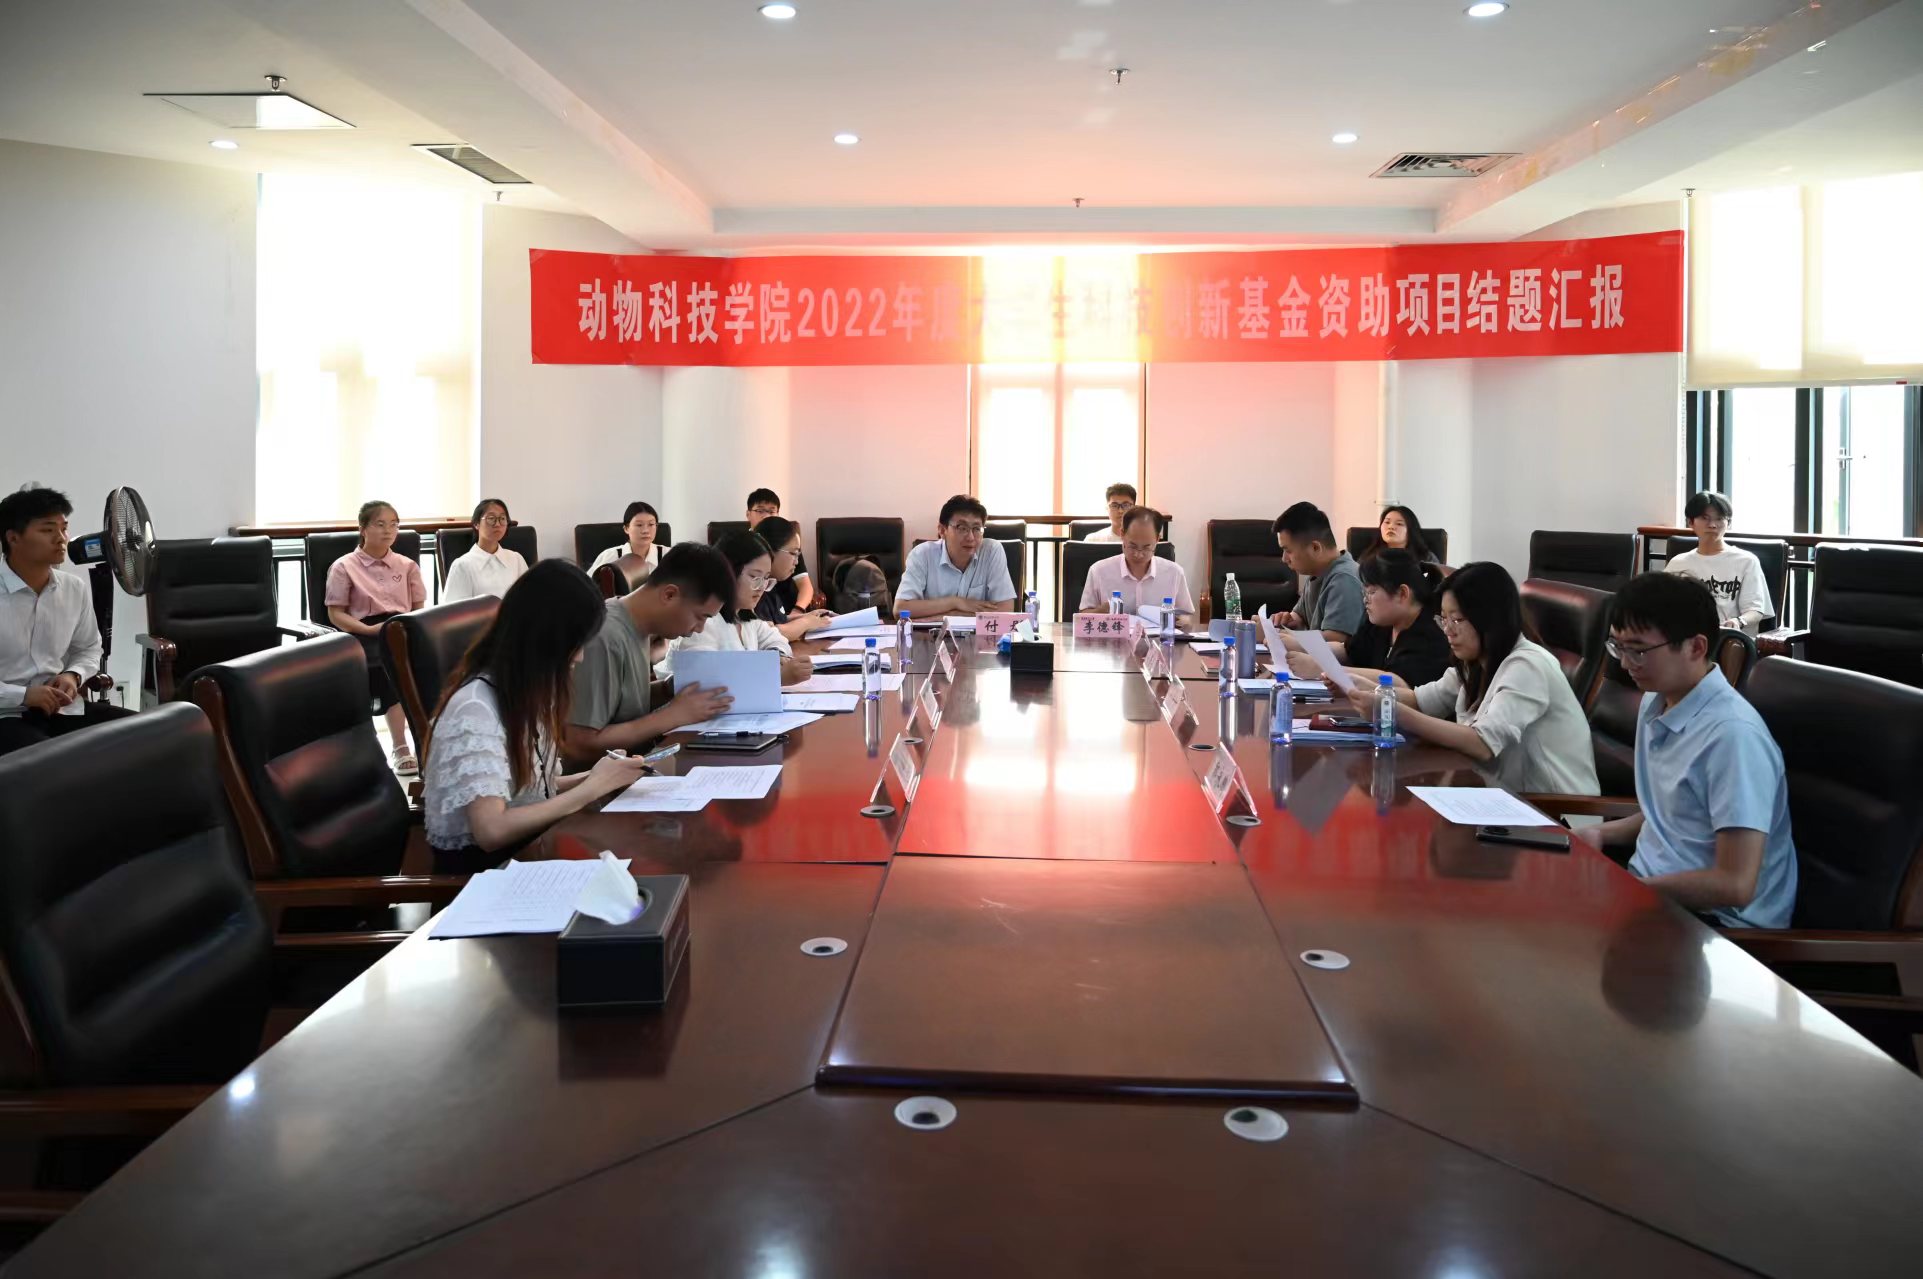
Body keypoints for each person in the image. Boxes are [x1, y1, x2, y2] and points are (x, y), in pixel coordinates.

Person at [1577, 573, 1797, 928]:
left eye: (1638, 650)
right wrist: (1601, 833)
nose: (1625, 663)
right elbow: (1672, 814)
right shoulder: (1656, 702)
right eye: (1618, 646)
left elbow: (1735, 884)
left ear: (1696, 647)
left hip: (1718, 926)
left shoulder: (1732, 737)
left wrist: (1627, 891)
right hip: (1653, 892)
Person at [422, 560, 653, 868]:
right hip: (485, 876)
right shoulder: (474, 709)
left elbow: (534, 788)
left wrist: (602, 776)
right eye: (575, 645)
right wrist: (592, 788)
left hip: (531, 853)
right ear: (544, 639)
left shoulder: (526, 690)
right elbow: (492, 830)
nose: (580, 657)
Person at [1352, 561, 1598, 795]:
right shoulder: (1477, 660)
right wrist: (1366, 689)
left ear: (1490, 619)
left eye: (1457, 620)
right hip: (1497, 793)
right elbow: (1422, 700)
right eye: (1443, 619)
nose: (1448, 631)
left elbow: (1483, 743)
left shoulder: (1528, 666)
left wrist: (1394, 712)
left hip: (1554, 810)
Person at [562, 542, 739, 763]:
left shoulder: (639, 625)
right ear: (669, 594)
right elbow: (578, 745)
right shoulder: (605, 637)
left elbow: (622, 703)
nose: (699, 629)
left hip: (635, 765)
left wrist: (668, 689)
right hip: (600, 779)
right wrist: (673, 715)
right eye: (700, 616)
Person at [0, 485, 137, 757]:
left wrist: (73, 675)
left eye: (64, 528)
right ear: (13, 538)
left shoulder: (73, 588)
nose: (61, 538)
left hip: (63, 708)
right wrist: (24, 695)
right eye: (48, 530)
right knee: (56, 762)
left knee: (149, 732)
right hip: (7, 714)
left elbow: (89, 648)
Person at [325, 500, 427, 775]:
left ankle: (430, 742)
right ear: (363, 528)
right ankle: (400, 746)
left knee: (432, 661)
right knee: (391, 664)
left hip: (402, 628)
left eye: (394, 525)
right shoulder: (344, 566)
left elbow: (418, 609)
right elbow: (336, 614)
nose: (388, 531)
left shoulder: (407, 565)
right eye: (380, 524)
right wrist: (369, 630)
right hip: (363, 632)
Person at [659, 530, 812, 685]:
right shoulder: (701, 623)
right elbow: (706, 684)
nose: (761, 587)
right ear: (729, 572)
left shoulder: (746, 616)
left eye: (766, 578)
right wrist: (776, 677)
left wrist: (776, 659)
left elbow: (777, 640)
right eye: (754, 577)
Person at [1287, 548, 1451, 689]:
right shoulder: (1383, 622)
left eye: (1371, 592)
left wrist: (1323, 668)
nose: (1365, 600)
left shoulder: (1431, 633)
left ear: (1402, 593)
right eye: (1364, 592)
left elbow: (1399, 683)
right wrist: (1298, 645)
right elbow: (1348, 651)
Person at [1664, 491, 1771, 635]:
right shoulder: (1678, 563)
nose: (1712, 525)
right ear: (1690, 522)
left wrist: (1738, 621)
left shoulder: (1746, 561)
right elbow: (1662, 605)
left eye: (1719, 519)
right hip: (1687, 635)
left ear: (1728, 523)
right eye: (1705, 518)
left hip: (1729, 637)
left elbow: (1755, 610)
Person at [896, 494, 1016, 618]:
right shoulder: (922, 554)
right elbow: (900, 609)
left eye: (976, 528)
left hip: (977, 631)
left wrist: (952, 615)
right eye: (962, 528)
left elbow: (1006, 610)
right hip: (933, 631)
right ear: (942, 530)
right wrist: (955, 602)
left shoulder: (991, 551)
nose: (970, 537)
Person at [1077, 505, 1194, 620]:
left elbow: (1187, 616)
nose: (1138, 554)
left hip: (1159, 633)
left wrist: (1178, 621)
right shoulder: (1099, 571)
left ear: (1157, 539)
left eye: (1146, 547)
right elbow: (1082, 617)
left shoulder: (1174, 573)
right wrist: (1101, 611)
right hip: (1115, 633)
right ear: (1122, 534)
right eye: (1132, 546)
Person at [1272, 501, 1363, 644]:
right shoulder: (1317, 573)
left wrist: (1279, 636)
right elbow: (1300, 616)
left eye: (1288, 550)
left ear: (1315, 548)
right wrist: (1287, 620)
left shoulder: (1345, 579)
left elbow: (1336, 639)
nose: (1284, 559)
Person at [751, 516, 835, 641]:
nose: (796, 562)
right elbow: (770, 633)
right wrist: (806, 623)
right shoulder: (754, 588)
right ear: (770, 550)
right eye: (793, 553)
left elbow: (779, 619)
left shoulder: (771, 585)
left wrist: (808, 617)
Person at [442, 497, 528, 603]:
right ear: (476, 524)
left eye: (502, 519)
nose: (497, 524)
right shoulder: (462, 565)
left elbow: (530, 599)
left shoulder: (516, 559)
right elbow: (454, 610)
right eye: (491, 519)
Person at [746, 488, 816, 609]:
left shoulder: (789, 544)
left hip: (788, 608)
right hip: (760, 611)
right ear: (748, 514)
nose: (766, 516)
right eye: (760, 511)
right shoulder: (741, 545)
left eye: (771, 511)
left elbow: (805, 585)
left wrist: (798, 610)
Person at [587, 501, 664, 589]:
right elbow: (587, 587)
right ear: (626, 528)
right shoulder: (610, 556)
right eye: (639, 525)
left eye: (651, 524)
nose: (645, 530)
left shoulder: (668, 555)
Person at [1358, 504, 1441, 566]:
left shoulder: (1425, 558)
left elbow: (1437, 582)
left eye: (1399, 524)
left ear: (1411, 530)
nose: (1391, 527)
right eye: (1387, 522)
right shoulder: (1369, 557)